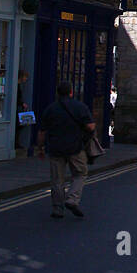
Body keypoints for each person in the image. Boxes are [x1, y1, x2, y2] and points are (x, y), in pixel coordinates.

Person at [36, 80, 95, 219]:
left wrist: (40, 148)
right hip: (75, 148)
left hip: (56, 148)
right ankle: (72, 199)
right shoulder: (80, 107)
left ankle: (57, 209)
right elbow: (91, 126)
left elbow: (42, 132)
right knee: (80, 173)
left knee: (57, 180)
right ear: (71, 92)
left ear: (58, 93)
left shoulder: (51, 109)